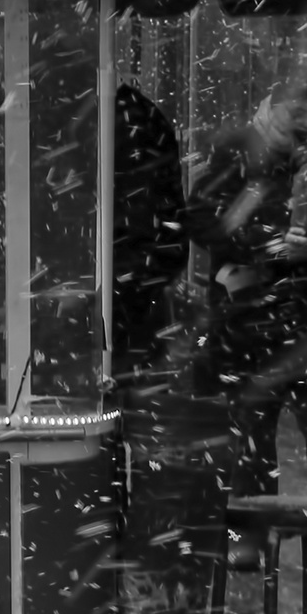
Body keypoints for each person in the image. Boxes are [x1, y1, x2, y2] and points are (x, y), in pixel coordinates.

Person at [182, 64, 307, 576]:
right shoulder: (240, 149)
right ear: (278, 103)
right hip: (253, 317)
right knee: (252, 428)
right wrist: (268, 243)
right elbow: (202, 216)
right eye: (301, 112)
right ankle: (249, 537)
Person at [111, 83, 188, 388]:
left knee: (122, 394)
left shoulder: (125, 119)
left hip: (126, 294)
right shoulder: (134, 115)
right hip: (133, 288)